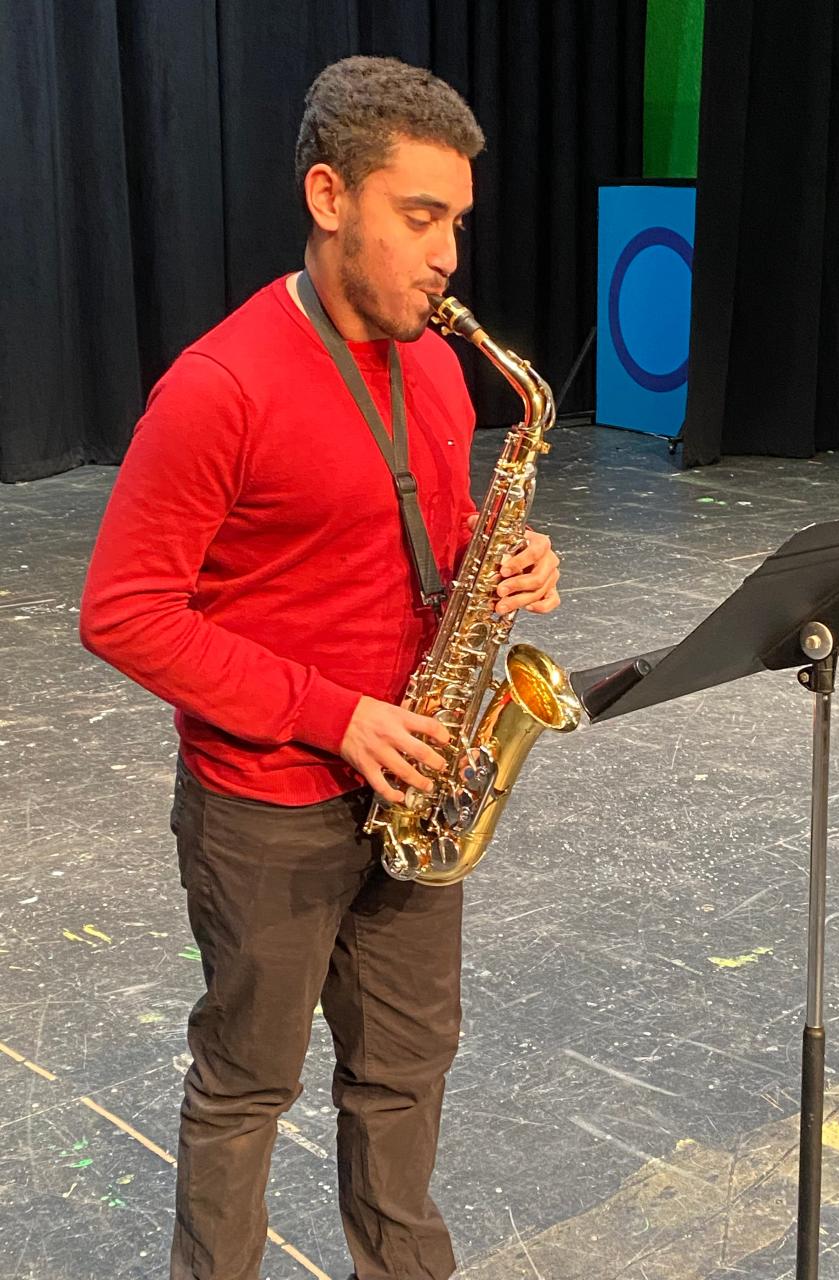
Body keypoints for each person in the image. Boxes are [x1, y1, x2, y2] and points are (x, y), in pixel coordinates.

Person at [79, 55, 561, 1280]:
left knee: (405, 1074)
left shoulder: (446, 367)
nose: (449, 252)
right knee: (246, 1085)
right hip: (267, 806)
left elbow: (427, 537)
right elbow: (122, 611)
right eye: (420, 216)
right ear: (329, 195)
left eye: (457, 219)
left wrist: (503, 567)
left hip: (417, 781)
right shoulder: (220, 385)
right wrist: (332, 714)